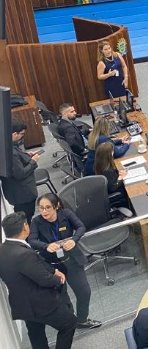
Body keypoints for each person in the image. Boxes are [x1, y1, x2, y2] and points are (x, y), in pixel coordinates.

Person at [0, 213, 77, 349]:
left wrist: (53, 270)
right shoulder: (24, 254)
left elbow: (31, 268)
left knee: (36, 334)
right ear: (25, 227)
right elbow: (45, 280)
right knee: (69, 323)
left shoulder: (3, 250)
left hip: (22, 304)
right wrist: (57, 279)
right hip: (41, 304)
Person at [28, 194, 100, 329]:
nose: (44, 211)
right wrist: (46, 246)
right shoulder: (36, 222)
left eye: (48, 207)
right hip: (52, 266)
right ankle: (69, 322)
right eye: (41, 208)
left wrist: (74, 239)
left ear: (56, 206)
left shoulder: (66, 214)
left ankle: (82, 320)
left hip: (71, 259)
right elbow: (32, 240)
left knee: (84, 292)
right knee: (62, 298)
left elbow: (81, 227)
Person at [2, 119, 41, 222]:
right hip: (22, 193)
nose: (22, 137)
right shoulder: (9, 152)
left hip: (16, 191)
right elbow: (20, 174)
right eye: (21, 134)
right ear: (14, 134)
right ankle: (26, 237)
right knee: (25, 218)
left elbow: (16, 160)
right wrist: (33, 161)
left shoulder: (6, 144)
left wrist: (26, 156)